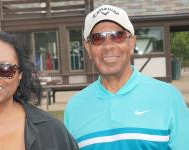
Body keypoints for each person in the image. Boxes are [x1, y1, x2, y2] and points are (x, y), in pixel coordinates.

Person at [64, 4, 189, 150]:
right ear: (88, 48)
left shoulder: (169, 97)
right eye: (98, 39)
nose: (108, 46)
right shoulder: (74, 108)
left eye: (118, 36)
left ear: (131, 43)